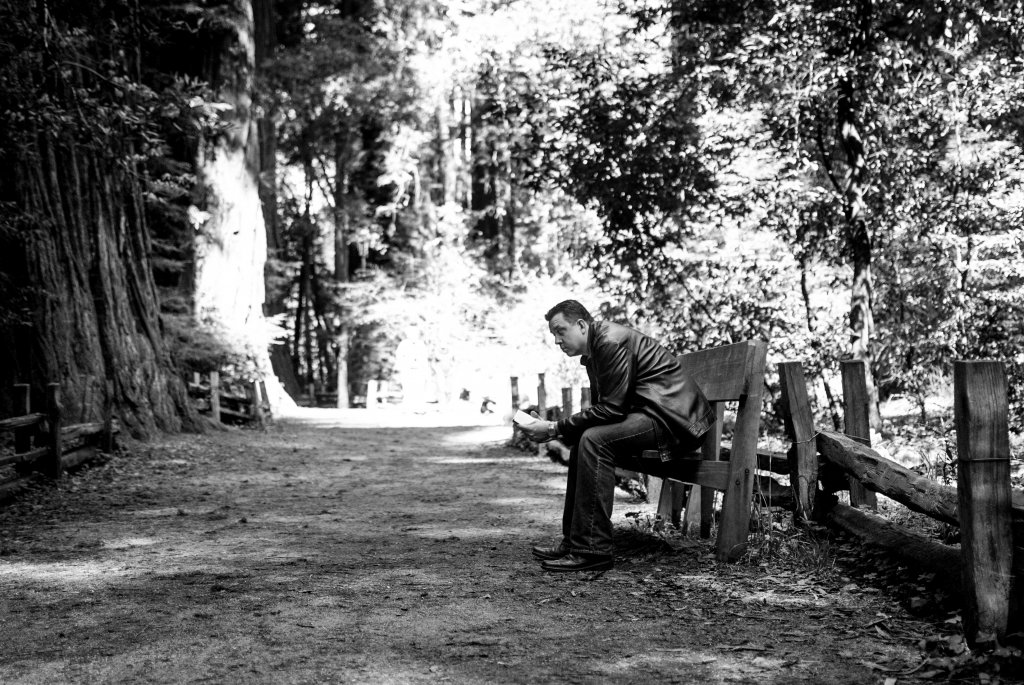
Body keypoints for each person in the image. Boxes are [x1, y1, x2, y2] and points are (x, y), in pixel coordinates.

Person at [519, 300, 715, 572]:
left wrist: (553, 428)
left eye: (560, 331)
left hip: (675, 422)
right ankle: (576, 542)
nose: (556, 340)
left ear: (581, 325)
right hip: (653, 414)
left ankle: (593, 550)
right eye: (553, 334)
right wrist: (557, 428)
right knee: (585, 440)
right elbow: (605, 411)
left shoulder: (609, 343)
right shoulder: (595, 350)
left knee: (594, 440)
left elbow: (611, 409)